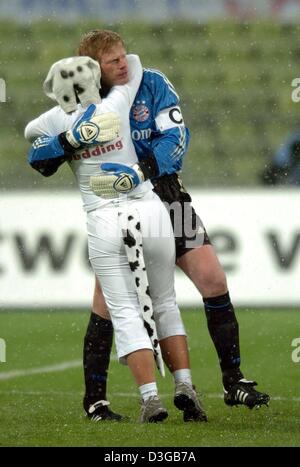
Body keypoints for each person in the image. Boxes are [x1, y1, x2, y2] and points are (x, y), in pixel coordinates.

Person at [27, 29, 270, 422]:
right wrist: (69, 142)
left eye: (125, 56)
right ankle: (96, 400)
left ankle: (233, 381)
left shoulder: (152, 83)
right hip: (117, 205)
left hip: (167, 195)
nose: (124, 63)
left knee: (212, 279)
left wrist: (141, 170)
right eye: (113, 61)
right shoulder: (82, 102)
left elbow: (176, 138)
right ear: (94, 70)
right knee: (106, 305)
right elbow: (41, 155)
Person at [25, 54, 207, 423]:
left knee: (123, 312)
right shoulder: (116, 102)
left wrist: (69, 138)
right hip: (150, 208)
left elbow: (32, 137)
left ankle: (149, 399)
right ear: (94, 76)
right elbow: (135, 68)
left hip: (105, 218)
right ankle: (185, 386)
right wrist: (109, 67)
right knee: (166, 303)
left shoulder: (56, 119)